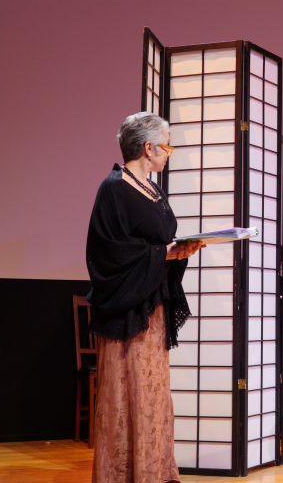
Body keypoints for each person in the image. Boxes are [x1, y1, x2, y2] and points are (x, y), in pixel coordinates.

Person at [87, 112, 205, 482]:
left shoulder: (152, 189)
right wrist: (164, 253)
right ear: (149, 148)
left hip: (153, 305)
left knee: (152, 394)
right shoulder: (114, 188)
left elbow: (156, 242)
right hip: (127, 310)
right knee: (128, 395)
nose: (169, 153)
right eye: (167, 145)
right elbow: (109, 253)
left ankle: (155, 473)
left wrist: (178, 252)